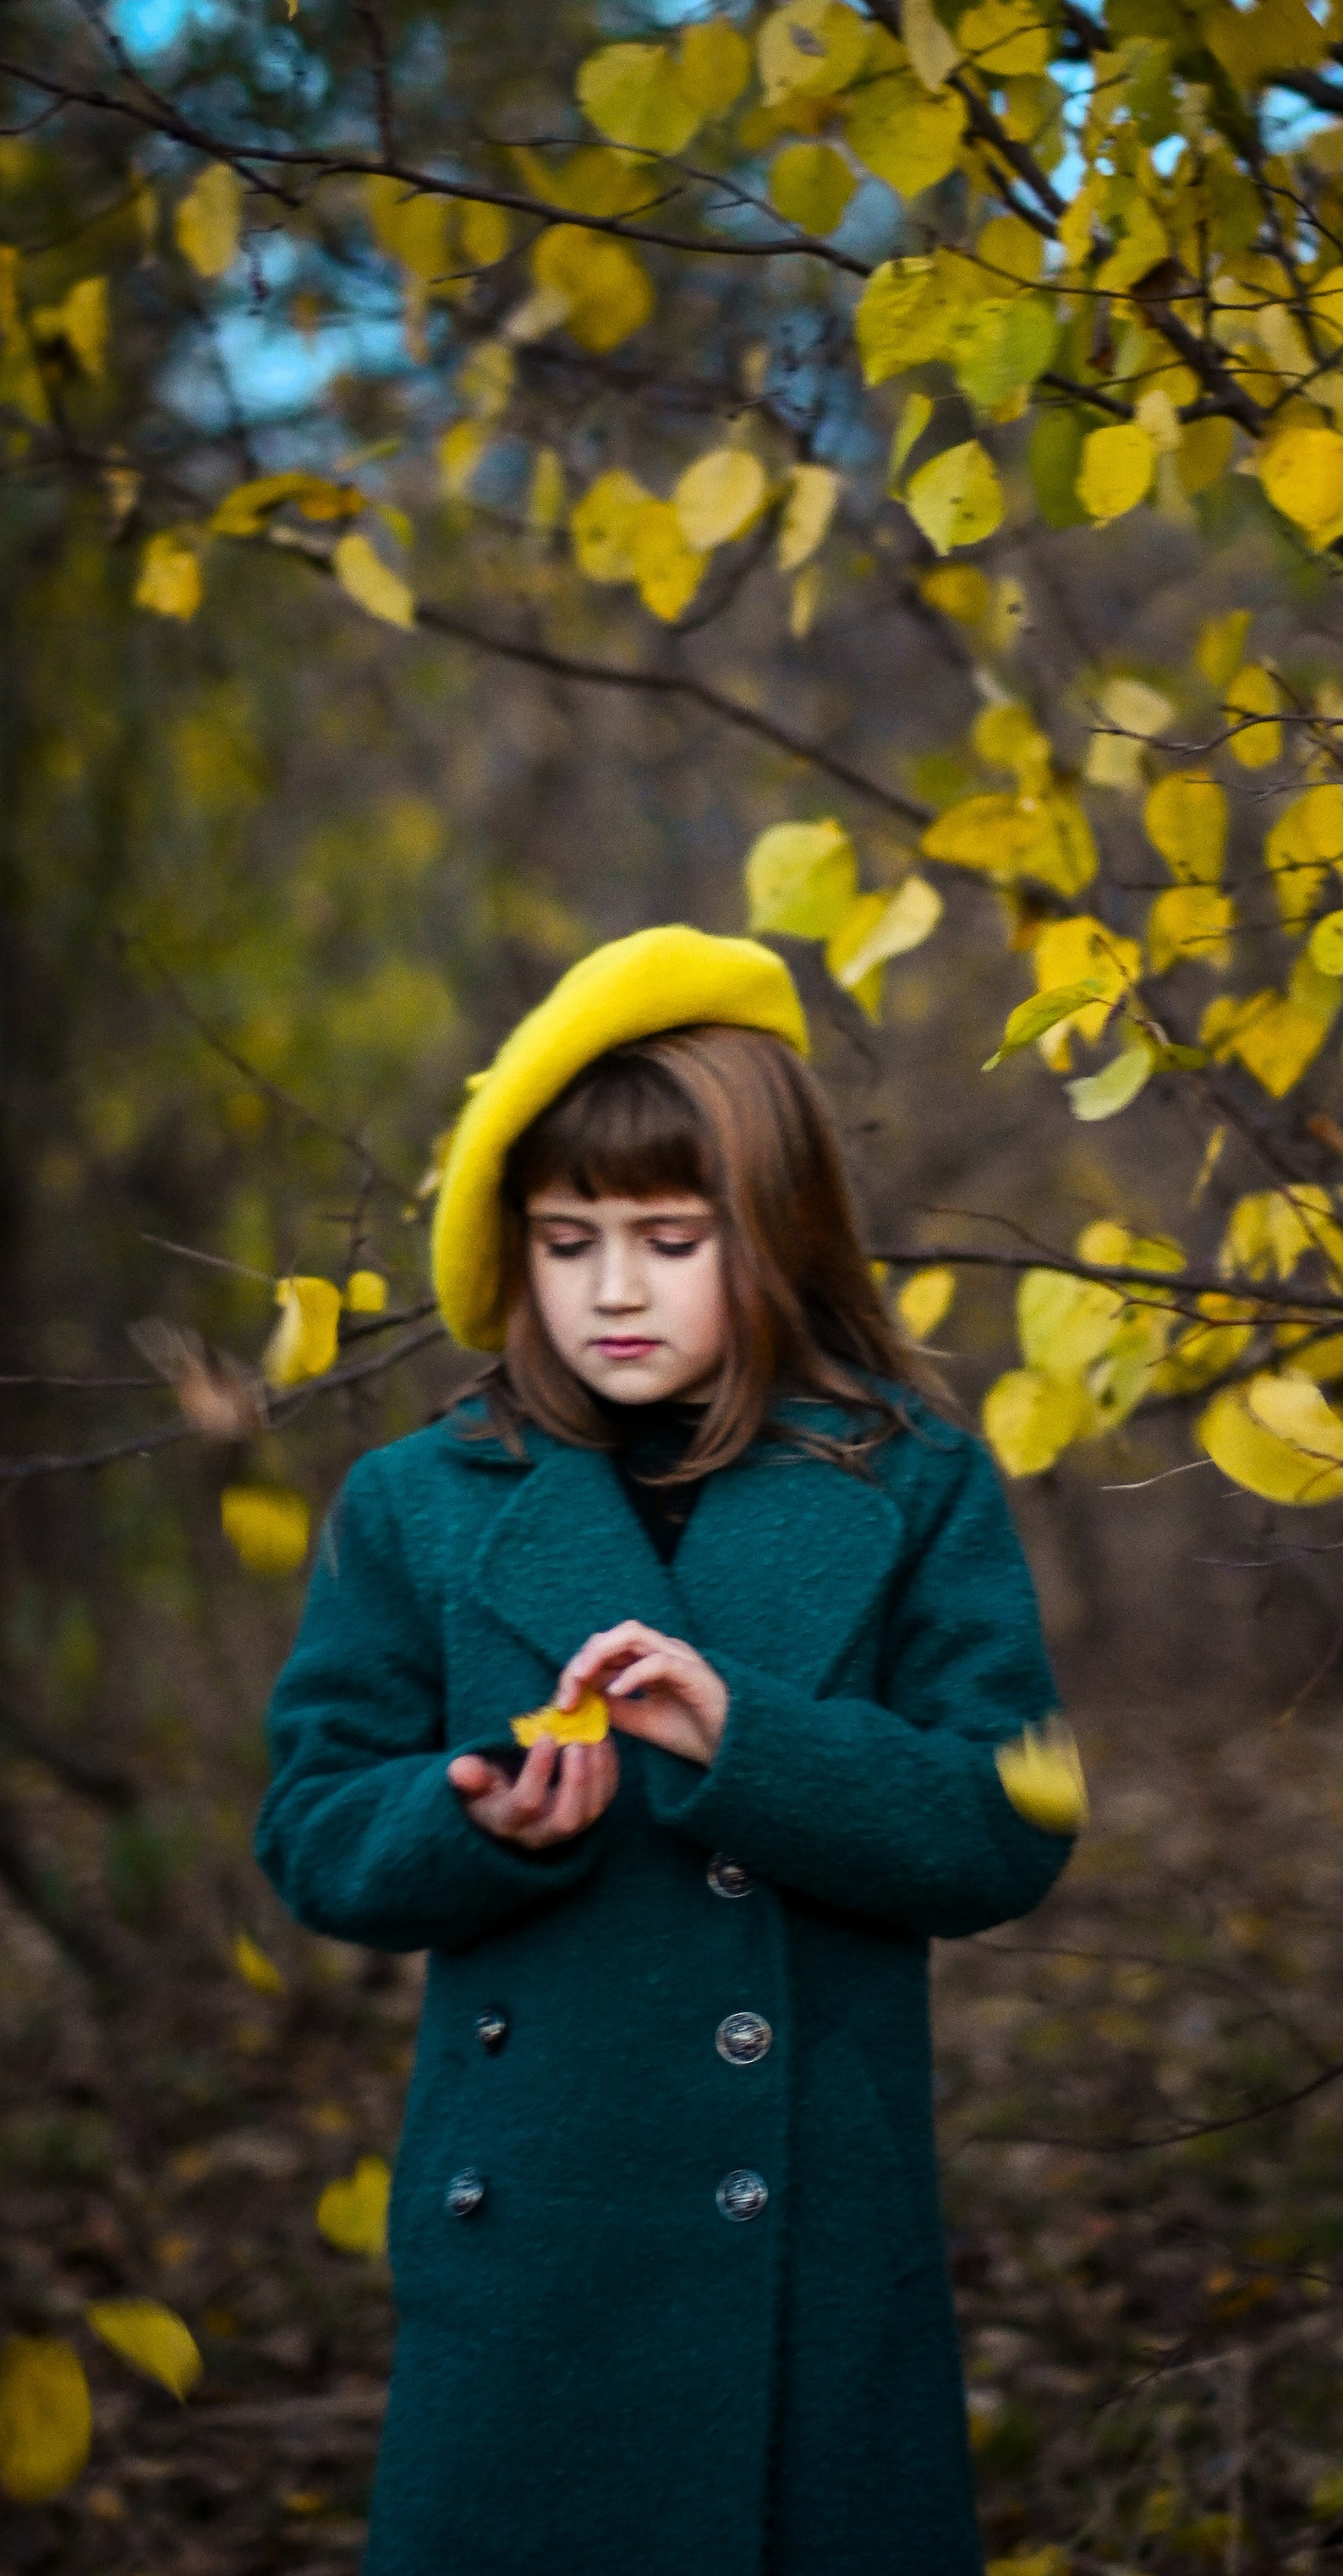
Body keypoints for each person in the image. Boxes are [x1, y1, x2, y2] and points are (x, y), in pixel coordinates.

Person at [254, 924, 1084, 2576]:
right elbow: (312, 1824)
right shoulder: (419, 1500)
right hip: (525, 2253)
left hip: (806, 2248)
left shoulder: (906, 1479)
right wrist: (467, 1813)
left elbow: (1008, 1819)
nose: (610, 1291)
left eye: (667, 1238)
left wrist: (745, 1743)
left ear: (769, 1235)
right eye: (565, 1242)